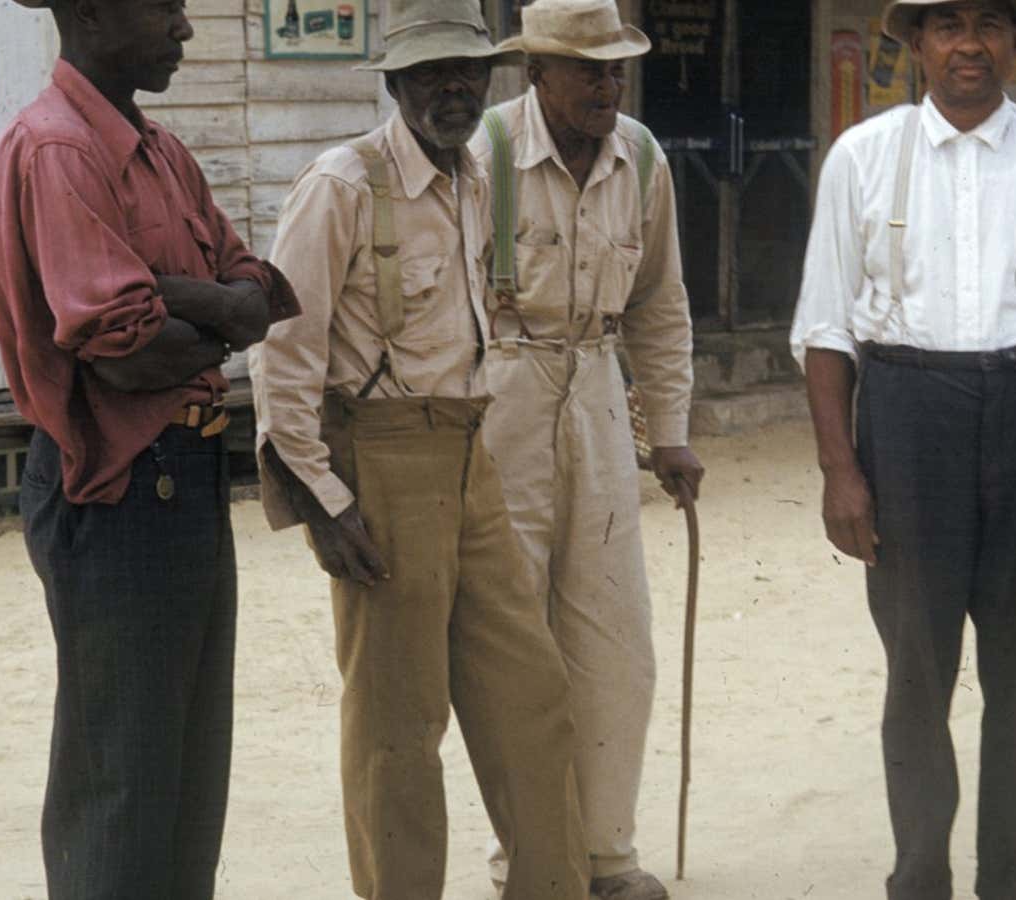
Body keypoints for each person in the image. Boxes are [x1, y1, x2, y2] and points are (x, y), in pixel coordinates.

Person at [790, 1, 1016, 897]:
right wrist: (841, 471)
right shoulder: (862, 158)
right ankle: (921, 876)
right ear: (914, 43)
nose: (969, 44)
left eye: (989, 23)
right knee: (917, 672)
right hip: (908, 419)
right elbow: (826, 328)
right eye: (947, 26)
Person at [247, 1, 589, 897]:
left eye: (468, 73)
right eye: (433, 74)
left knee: (531, 696)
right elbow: (285, 354)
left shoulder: (477, 175)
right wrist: (322, 500)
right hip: (383, 464)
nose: (454, 89)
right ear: (395, 84)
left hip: (471, 454)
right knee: (399, 730)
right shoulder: (343, 184)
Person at [0, 0, 299, 896]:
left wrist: (176, 297)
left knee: (189, 775)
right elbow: (124, 359)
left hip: (187, 475)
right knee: (121, 781)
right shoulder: (59, 150)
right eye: (163, 6)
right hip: (119, 489)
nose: (184, 27)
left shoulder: (160, 150)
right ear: (88, 11)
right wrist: (210, 314)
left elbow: (259, 290)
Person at [468, 1, 701, 896]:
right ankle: (528, 858)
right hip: (504, 393)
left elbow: (660, 302)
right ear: (536, 72)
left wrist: (670, 432)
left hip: (599, 390)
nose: (607, 85)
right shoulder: (483, 151)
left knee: (615, 637)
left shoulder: (641, 156)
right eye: (586, 69)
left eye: (615, 68)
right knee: (512, 638)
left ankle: (607, 853)